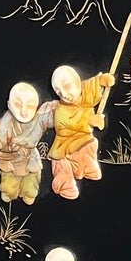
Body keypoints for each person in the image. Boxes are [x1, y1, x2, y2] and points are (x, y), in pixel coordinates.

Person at [47, 63, 115, 200]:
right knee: (62, 165)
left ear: (77, 81)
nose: (65, 94)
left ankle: (86, 169)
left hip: (84, 138)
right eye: (59, 92)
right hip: (65, 144)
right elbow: (67, 126)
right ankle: (65, 186)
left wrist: (101, 81)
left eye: (66, 86)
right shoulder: (61, 109)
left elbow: (91, 86)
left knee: (90, 145)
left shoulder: (83, 90)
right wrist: (89, 121)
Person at [0, 82, 55, 204]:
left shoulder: (39, 119)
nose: (23, 111)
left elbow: (54, 117)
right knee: (9, 182)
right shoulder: (7, 120)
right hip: (11, 157)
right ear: (9, 105)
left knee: (32, 178)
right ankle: (9, 191)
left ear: (37, 107)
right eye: (18, 105)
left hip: (29, 156)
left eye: (30, 106)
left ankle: (30, 193)